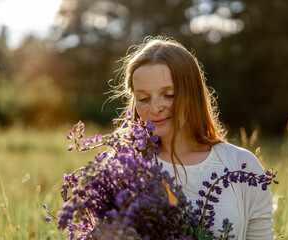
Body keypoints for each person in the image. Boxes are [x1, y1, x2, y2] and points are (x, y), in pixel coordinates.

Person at [110, 36, 273, 240]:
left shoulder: (242, 165)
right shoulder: (123, 167)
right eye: (143, 99)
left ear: (192, 94)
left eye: (168, 95)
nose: (155, 108)